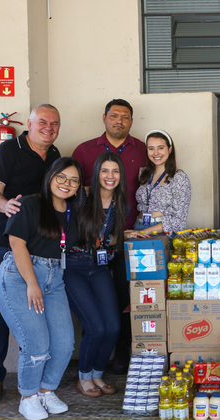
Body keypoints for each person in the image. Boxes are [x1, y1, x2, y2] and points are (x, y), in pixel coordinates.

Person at [0, 104, 62, 404]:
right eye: (42, 122)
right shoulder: (7, 151)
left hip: (38, 245)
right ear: (29, 123)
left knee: (37, 307)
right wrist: (7, 206)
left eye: (54, 124)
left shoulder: (54, 156)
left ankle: (37, 376)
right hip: (2, 241)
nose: (48, 128)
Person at [0, 157, 82, 420]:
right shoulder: (30, 203)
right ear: (50, 176)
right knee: (36, 343)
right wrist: (32, 283)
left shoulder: (71, 211)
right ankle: (29, 397)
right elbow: (17, 244)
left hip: (54, 278)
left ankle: (46, 391)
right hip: (20, 276)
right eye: (62, 177)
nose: (67, 183)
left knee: (65, 344)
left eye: (74, 180)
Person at [72, 99, 148, 374]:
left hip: (128, 238)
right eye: (114, 116)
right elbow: (70, 189)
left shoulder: (142, 150)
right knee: (95, 302)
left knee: (126, 296)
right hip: (87, 246)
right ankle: (94, 358)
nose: (119, 121)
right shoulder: (84, 150)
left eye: (125, 117)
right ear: (104, 118)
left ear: (131, 121)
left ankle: (123, 351)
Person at [64, 152, 136, 398]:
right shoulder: (81, 196)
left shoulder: (121, 205)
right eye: (104, 170)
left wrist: (125, 235)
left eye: (115, 171)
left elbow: (108, 238)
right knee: (95, 326)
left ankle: (96, 374)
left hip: (100, 267)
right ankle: (84, 377)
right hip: (74, 267)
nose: (110, 176)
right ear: (96, 173)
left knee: (114, 326)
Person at [134, 130, 192, 234]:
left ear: (169, 149)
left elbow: (178, 220)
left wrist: (144, 232)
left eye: (161, 148)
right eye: (151, 148)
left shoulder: (179, 178)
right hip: (139, 226)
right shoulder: (143, 174)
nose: (156, 153)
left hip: (161, 231)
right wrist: (139, 232)